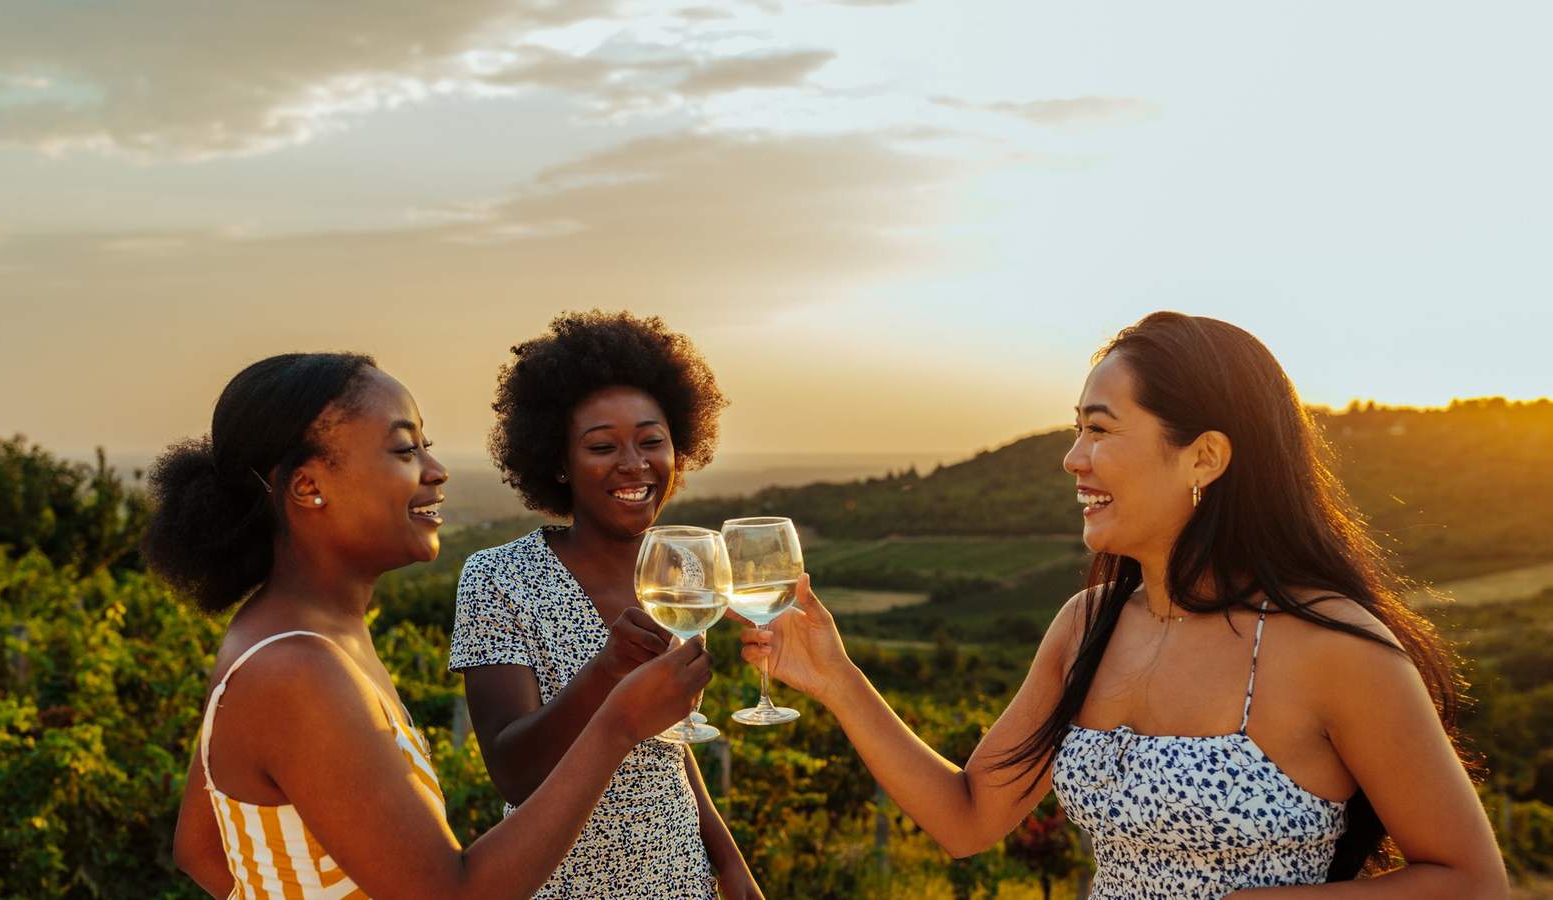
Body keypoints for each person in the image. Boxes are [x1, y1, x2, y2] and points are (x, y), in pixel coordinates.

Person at [740, 312, 1509, 898]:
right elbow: (967, 818)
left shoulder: (1332, 647)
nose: (1072, 458)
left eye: (1099, 430)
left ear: (1204, 457)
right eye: (1076, 429)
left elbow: (1470, 881)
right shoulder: (1086, 626)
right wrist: (838, 680)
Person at [152, 352, 711, 899]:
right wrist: (617, 726)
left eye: (426, 445)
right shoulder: (297, 668)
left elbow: (201, 847)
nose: (436, 470)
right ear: (306, 486)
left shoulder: (291, 633)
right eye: (404, 449)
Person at [451, 311, 760, 899]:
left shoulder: (679, 569)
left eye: (652, 441)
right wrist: (607, 672)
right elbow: (514, 774)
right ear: (558, 462)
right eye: (601, 446)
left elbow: (668, 744)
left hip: (680, 878)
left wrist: (730, 863)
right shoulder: (498, 577)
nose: (634, 464)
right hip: (566, 883)